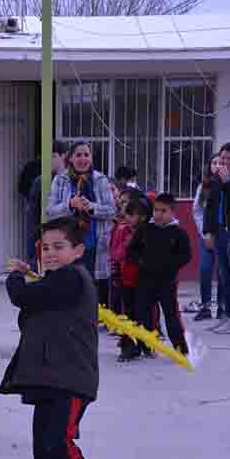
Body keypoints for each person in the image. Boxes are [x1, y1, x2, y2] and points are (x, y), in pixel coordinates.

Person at [0, 217, 115, 459]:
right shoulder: (55, 282)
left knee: (58, 444)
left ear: (78, 250)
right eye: (45, 247)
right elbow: (32, 314)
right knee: (44, 450)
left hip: (71, 379)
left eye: (59, 247)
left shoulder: (72, 278)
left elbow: (22, 297)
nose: (50, 253)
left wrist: (17, 277)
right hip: (49, 378)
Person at [47, 141, 116, 306]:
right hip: (68, 244)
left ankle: (90, 320)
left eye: (86, 155)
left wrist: (92, 207)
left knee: (91, 287)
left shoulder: (100, 180)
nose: (83, 159)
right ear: (70, 158)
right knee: (69, 285)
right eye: (78, 155)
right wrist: (70, 204)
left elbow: (112, 210)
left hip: (94, 244)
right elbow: (50, 211)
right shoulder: (60, 180)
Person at [128, 192, 192, 355]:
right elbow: (132, 250)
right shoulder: (145, 229)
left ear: (172, 212)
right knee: (142, 315)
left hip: (166, 282)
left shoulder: (178, 233)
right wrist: (140, 261)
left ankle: (180, 348)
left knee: (171, 316)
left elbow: (186, 255)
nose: (158, 214)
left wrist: (171, 266)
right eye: (156, 210)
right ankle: (143, 346)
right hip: (145, 280)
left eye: (163, 211)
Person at [203, 142, 230, 334]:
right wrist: (208, 232)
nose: (225, 162)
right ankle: (228, 315)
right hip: (219, 231)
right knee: (223, 276)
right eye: (222, 159)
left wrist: (229, 182)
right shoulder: (216, 179)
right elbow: (209, 207)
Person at [190, 153, 227, 321]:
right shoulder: (204, 186)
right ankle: (205, 306)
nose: (217, 165)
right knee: (205, 269)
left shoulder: (229, 184)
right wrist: (204, 232)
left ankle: (222, 307)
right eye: (214, 162)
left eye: (220, 162)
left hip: (223, 234)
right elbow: (197, 211)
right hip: (207, 234)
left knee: (222, 271)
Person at [25, 142, 68, 264]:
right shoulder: (40, 182)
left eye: (53, 156)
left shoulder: (72, 179)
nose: (49, 160)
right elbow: (32, 216)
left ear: (63, 156)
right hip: (44, 236)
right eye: (46, 156)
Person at [117, 200, 149, 361]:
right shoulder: (123, 231)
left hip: (143, 280)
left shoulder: (148, 233)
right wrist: (126, 245)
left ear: (143, 217)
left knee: (143, 313)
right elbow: (117, 254)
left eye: (131, 214)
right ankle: (128, 347)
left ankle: (145, 344)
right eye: (126, 214)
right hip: (127, 278)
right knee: (129, 313)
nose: (127, 217)